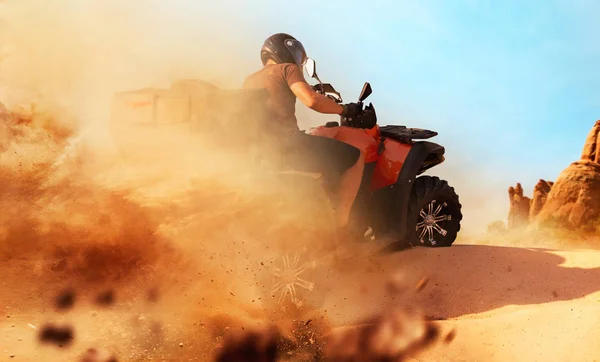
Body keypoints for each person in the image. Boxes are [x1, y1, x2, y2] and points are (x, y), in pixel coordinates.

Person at [242, 33, 366, 240]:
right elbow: (312, 100)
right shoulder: (286, 69)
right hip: (288, 144)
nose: (298, 61)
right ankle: (342, 225)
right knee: (356, 157)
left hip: (259, 150)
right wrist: (345, 109)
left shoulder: (249, 80)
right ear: (288, 50)